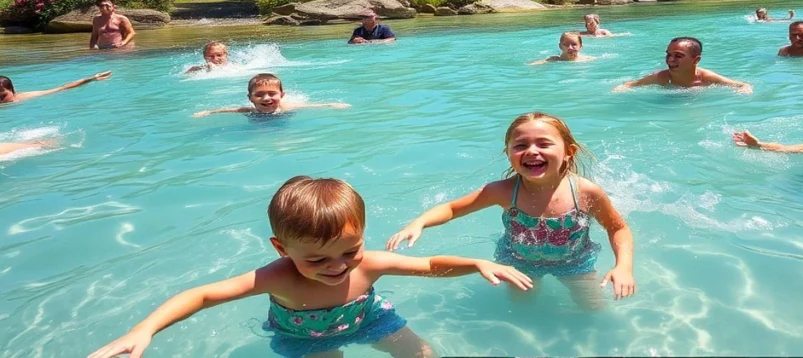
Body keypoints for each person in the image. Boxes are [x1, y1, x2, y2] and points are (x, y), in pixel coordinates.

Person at [88, 176, 532, 358]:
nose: (337, 266)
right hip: (303, 335)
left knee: (423, 355)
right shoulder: (277, 277)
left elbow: (430, 263)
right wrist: (143, 330)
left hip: (370, 317)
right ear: (282, 248)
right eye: (316, 259)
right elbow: (201, 295)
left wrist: (475, 263)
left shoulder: (370, 263)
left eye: (349, 250)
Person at [387, 112, 634, 309]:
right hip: (518, 262)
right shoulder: (503, 191)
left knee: (594, 310)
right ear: (508, 154)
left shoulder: (585, 192)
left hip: (574, 262)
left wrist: (623, 267)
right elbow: (452, 208)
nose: (532, 151)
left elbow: (618, 228)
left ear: (569, 152)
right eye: (520, 145)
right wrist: (419, 222)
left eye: (544, 143)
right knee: (521, 309)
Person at [614, 37, 752, 92]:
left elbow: (743, 85)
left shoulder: (706, 78)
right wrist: (619, 89)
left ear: (696, 60)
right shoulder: (662, 78)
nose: (670, 60)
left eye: (678, 56)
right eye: (668, 54)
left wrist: (745, 90)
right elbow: (629, 84)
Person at [193, 73, 351, 117]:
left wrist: (332, 104)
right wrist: (208, 112)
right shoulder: (250, 110)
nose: (266, 98)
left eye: (272, 94)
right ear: (250, 98)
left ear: (281, 95)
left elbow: (309, 106)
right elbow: (230, 110)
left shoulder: (287, 107)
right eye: (259, 95)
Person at [0, 72, 112, 104]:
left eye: (2, 96)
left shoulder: (26, 97)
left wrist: (92, 78)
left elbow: (62, 88)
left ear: (12, 90)